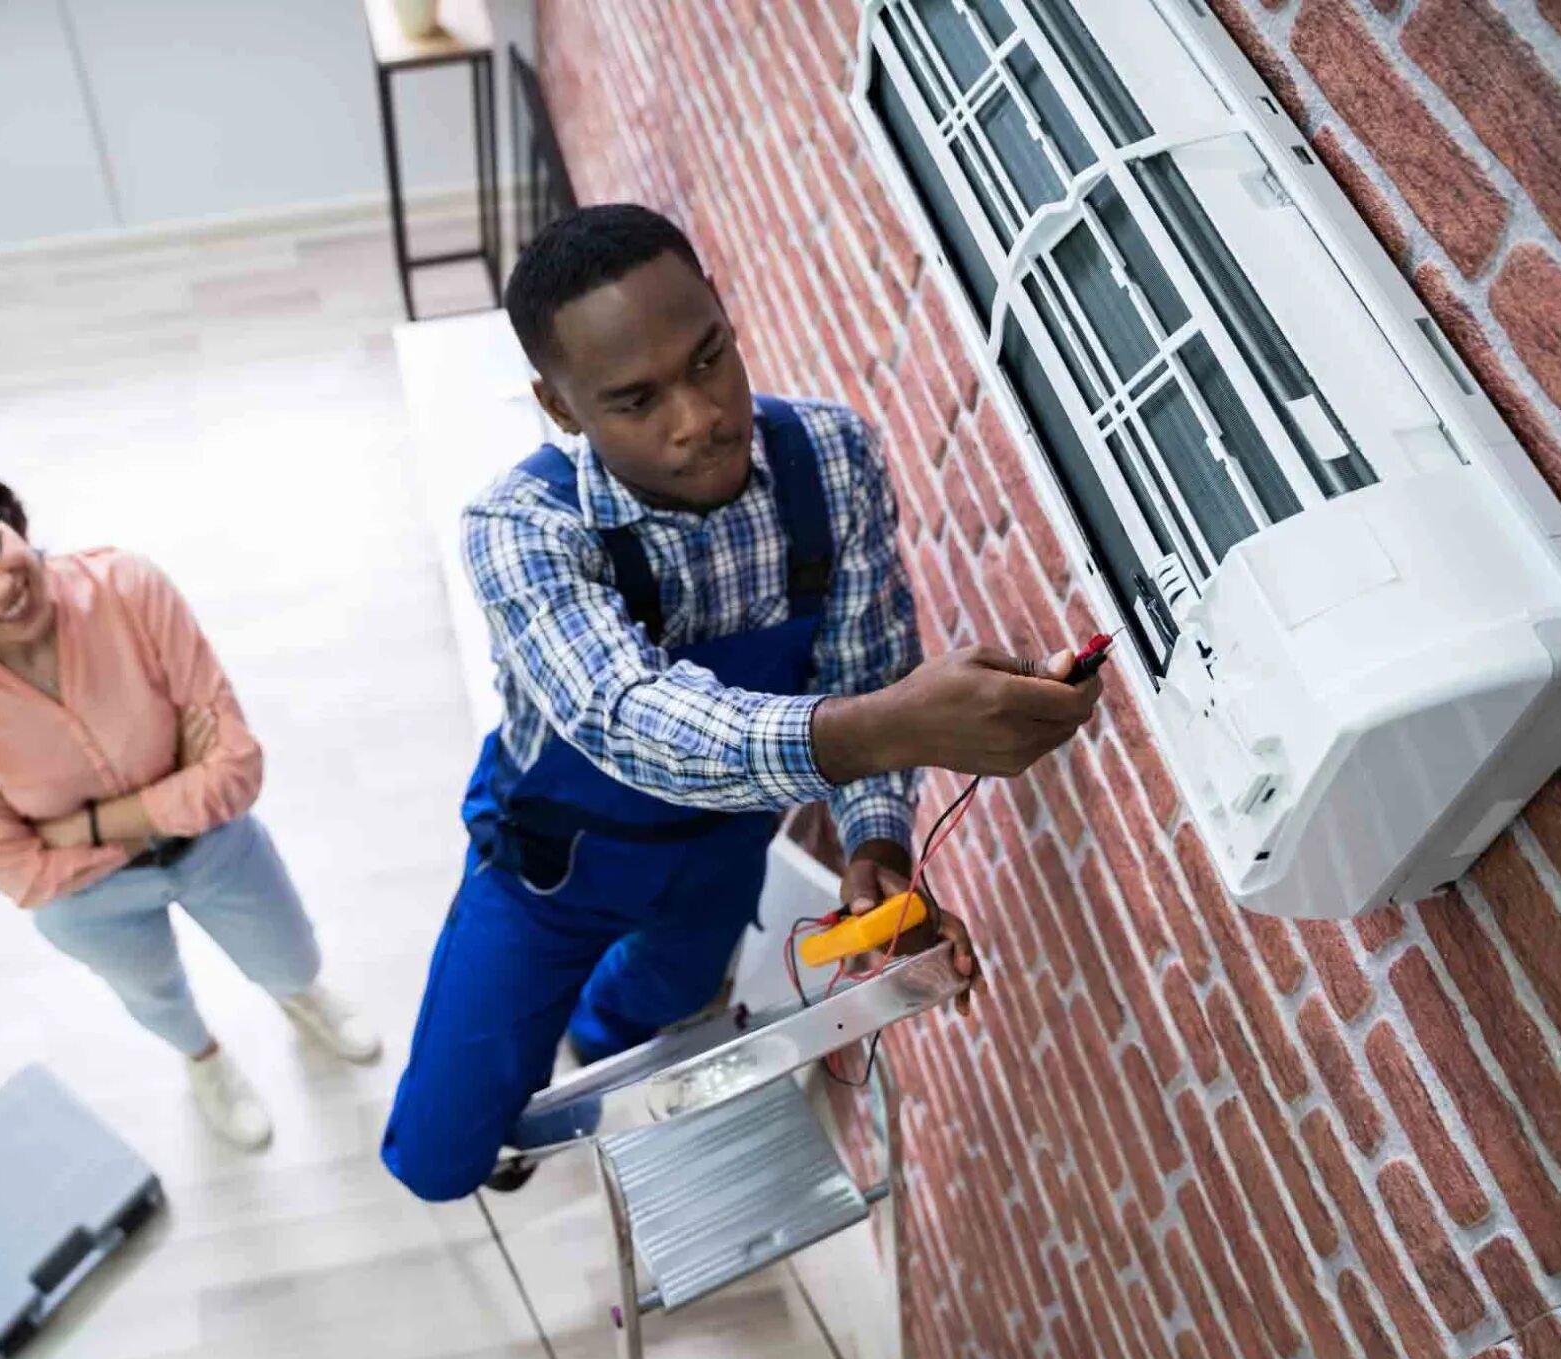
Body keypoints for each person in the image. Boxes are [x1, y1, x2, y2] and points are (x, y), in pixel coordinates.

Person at [380, 205, 1101, 1201]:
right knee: (437, 1158)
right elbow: (632, 720)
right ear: (558, 406)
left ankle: (597, 1033)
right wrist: (889, 721)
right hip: (551, 869)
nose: (698, 416)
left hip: (723, 850)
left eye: (707, 358)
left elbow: (861, 662)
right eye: (634, 400)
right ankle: (504, 1100)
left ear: (721, 309)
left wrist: (876, 856)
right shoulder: (522, 529)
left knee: (657, 1002)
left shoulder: (829, 459)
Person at [0, 457, 379, 1150]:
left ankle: (301, 1000)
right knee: (156, 998)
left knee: (292, 954)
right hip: (90, 900)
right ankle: (204, 1062)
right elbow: (20, 870)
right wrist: (178, 779)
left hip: (216, 846)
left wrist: (76, 828)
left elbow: (235, 772)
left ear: (8, 516)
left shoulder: (127, 587)